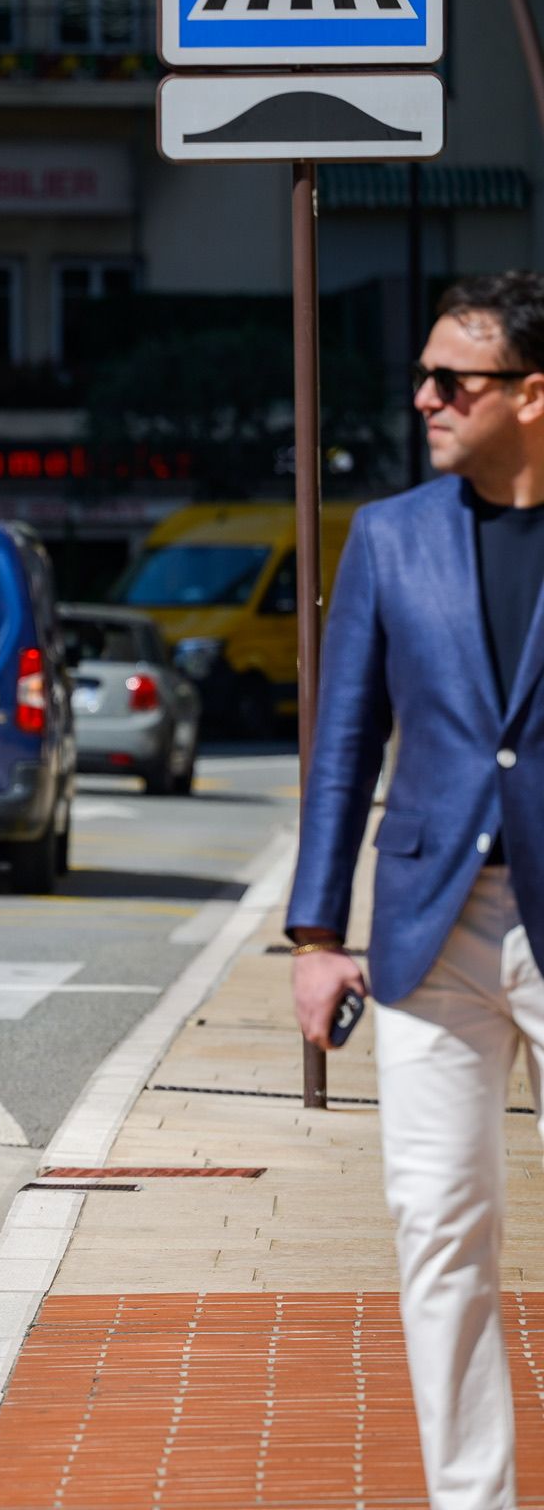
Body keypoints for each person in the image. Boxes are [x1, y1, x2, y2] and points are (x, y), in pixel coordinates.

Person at [290, 271, 544, 1510]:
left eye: (459, 380)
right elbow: (344, 743)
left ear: (533, 395)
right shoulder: (392, 535)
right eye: (427, 375)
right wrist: (315, 934)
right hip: (431, 926)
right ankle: (473, 1499)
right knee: (440, 1226)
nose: (426, 397)